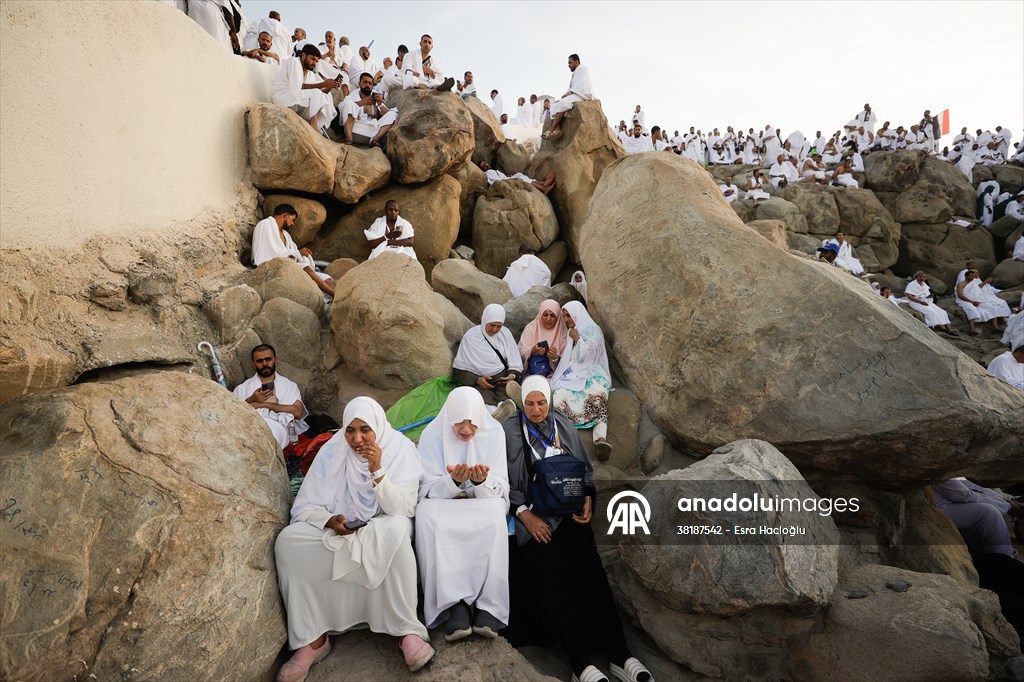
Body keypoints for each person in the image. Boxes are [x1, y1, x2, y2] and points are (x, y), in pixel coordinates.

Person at [501, 375, 653, 682]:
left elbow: (584, 471)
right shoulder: (509, 433)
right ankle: (580, 661)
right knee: (555, 583)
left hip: (569, 516)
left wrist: (588, 497)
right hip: (535, 520)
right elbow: (500, 483)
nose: (535, 409)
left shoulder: (563, 426)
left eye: (541, 402)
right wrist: (523, 515)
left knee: (592, 576)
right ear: (522, 403)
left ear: (550, 401)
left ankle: (620, 655)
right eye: (529, 403)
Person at [274, 397, 434, 681]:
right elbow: (305, 506)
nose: (357, 439)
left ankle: (405, 630)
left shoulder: (400, 450)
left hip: (383, 525)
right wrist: (329, 520)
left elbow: (404, 508)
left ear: (379, 428)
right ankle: (314, 640)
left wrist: (378, 471)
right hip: (339, 527)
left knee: (397, 531)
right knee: (289, 541)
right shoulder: (332, 451)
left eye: (365, 430)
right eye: (350, 430)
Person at [415, 388, 510, 641]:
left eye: (472, 422)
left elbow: (502, 486)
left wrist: (481, 483)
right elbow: (423, 489)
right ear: (449, 417)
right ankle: (452, 605)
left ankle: (487, 606)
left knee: (493, 514)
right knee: (426, 515)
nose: (466, 429)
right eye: (459, 421)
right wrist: (453, 483)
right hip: (444, 504)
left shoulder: (494, 433)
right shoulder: (431, 435)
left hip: (482, 502)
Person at [545, 301, 613, 459]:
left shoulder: (593, 330)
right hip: (576, 373)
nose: (567, 319)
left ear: (578, 313)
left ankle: (600, 440)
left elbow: (589, 356)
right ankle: (556, 438)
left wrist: (578, 339)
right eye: (564, 316)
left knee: (598, 395)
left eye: (569, 315)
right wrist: (555, 359)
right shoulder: (572, 333)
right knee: (559, 394)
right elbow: (571, 361)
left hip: (594, 372)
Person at [251, 204, 335, 298]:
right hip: (269, 264)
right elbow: (269, 251)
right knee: (305, 267)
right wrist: (298, 253)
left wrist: (301, 253)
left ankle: (338, 298)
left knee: (326, 278)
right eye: (293, 219)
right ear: (285, 215)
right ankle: (333, 295)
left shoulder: (286, 234)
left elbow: (292, 251)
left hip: (287, 263)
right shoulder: (265, 224)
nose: (293, 224)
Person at [233, 344, 308, 450]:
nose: (265, 364)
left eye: (268, 359)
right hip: (249, 427)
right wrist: (251, 399)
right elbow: (233, 415)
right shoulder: (241, 388)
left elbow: (297, 412)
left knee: (269, 439)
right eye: (260, 361)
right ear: (254, 364)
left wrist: (263, 404)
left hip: (278, 428)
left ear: (276, 359)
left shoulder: (289, 385)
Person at [453, 304, 522, 412]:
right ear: (484, 320)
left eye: (499, 326)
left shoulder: (505, 334)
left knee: (506, 395)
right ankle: (495, 413)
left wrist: (511, 376)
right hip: (479, 379)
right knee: (482, 399)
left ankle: (506, 409)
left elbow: (515, 362)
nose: (494, 329)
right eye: (492, 325)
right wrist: (478, 380)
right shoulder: (471, 337)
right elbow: (460, 369)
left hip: (502, 378)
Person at [933, 478, 1022, 555]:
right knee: (989, 512)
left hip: (951, 501)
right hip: (939, 508)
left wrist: (1006, 501)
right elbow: (961, 495)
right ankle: (1005, 556)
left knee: (989, 492)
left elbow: (969, 484)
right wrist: (1006, 507)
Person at [271, 44, 341, 136]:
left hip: (295, 100)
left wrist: (330, 86)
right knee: (317, 92)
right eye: (312, 59)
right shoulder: (294, 62)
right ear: (303, 55)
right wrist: (323, 84)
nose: (314, 63)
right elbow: (299, 87)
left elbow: (318, 94)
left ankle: (319, 126)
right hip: (283, 96)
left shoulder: (310, 74)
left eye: (316, 61)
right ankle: (314, 124)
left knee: (324, 95)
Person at [338, 72, 397, 146]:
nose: (367, 85)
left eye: (370, 83)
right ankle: (349, 139)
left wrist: (380, 104)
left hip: (373, 132)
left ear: (372, 86)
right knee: (349, 104)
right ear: (359, 84)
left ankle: (375, 140)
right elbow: (342, 107)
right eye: (365, 82)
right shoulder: (354, 94)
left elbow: (387, 115)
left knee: (394, 113)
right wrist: (362, 102)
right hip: (355, 130)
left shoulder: (375, 95)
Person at [543, 54, 593, 140]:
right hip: (575, 93)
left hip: (582, 95)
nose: (568, 65)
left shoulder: (583, 69)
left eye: (570, 63)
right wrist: (567, 93)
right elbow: (571, 87)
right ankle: (557, 130)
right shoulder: (575, 73)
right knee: (554, 105)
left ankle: (551, 129)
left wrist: (569, 93)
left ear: (576, 62)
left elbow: (582, 85)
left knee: (563, 103)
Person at [517, 299, 568, 379]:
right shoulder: (531, 328)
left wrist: (555, 358)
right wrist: (533, 350)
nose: (548, 319)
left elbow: (569, 360)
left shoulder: (562, 332)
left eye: (552, 315)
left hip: (555, 375)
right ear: (540, 314)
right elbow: (519, 353)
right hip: (531, 373)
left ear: (558, 317)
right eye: (545, 315)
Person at [478, 161, 556, 195]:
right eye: (483, 166)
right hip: (503, 183)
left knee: (519, 175)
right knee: (520, 179)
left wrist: (510, 176)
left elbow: (503, 177)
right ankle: (543, 188)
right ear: (482, 169)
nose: (486, 165)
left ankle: (543, 183)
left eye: (485, 163)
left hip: (506, 179)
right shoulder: (487, 173)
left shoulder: (495, 170)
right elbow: (492, 183)